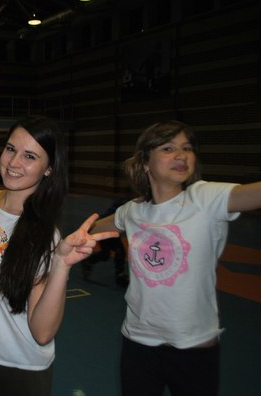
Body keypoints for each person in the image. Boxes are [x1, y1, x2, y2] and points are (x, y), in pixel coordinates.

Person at [0, 115, 118, 396]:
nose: (14, 162)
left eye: (30, 156)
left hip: (18, 367)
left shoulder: (44, 235)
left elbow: (42, 332)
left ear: (49, 168)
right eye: (11, 149)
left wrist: (61, 265)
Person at [92, 120, 261, 396]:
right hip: (138, 344)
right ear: (145, 163)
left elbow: (252, 194)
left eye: (187, 148)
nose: (181, 155)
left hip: (194, 348)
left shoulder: (205, 198)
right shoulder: (132, 211)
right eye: (168, 148)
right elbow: (90, 231)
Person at [81, 197, 130, 287]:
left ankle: (88, 261)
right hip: (106, 228)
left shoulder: (127, 202)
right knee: (118, 251)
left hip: (109, 227)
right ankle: (119, 275)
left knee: (106, 254)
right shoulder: (127, 204)